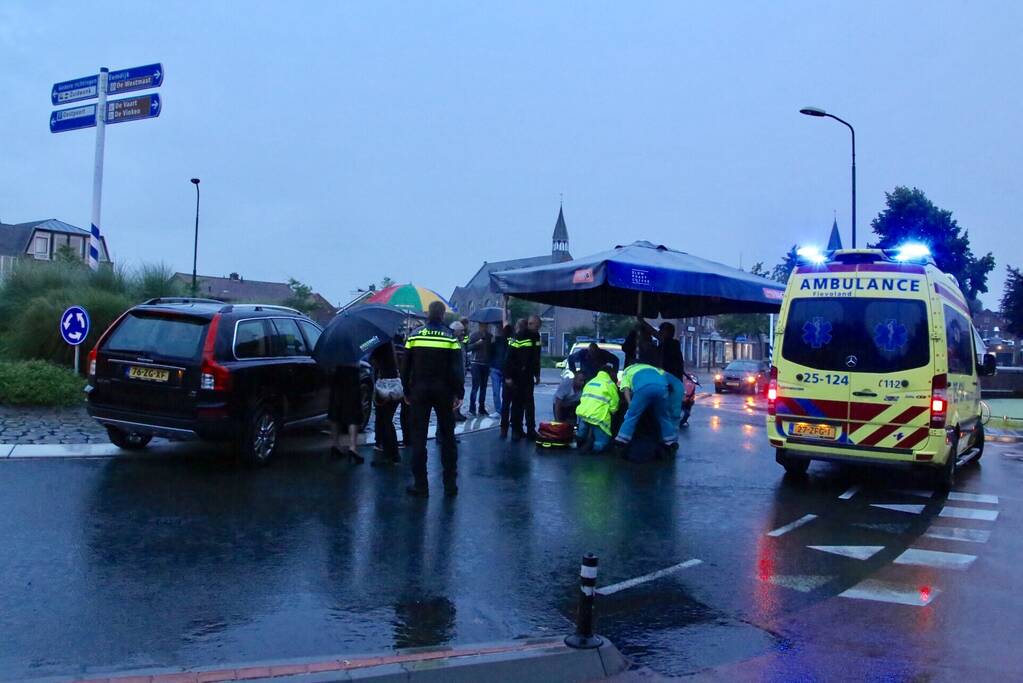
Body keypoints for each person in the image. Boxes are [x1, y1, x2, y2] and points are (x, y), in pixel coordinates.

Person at [402, 301, 464, 497]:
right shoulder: (450, 338)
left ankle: (421, 485)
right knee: (448, 437)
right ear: (443, 315)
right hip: (443, 391)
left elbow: (405, 367)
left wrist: (406, 390)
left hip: (419, 390)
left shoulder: (414, 336)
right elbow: (457, 369)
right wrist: (459, 393)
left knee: (418, 437)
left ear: (428, 314)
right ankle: (450, 484)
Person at [613, 339, 677, 454]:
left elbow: (626, 389)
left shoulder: (628, 370)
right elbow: (668, 381)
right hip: (662, 388)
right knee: (663, 416)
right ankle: (670, 442)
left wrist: (630, 404)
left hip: (643, 388)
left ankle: (621, 441)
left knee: (632, 416)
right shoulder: (653, 368)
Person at [507, 315, 542, 440]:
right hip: (517, 375)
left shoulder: (536, 337)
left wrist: (537, 374)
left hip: (528, 375)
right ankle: (517, 430)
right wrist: (508, 376)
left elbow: (537, 357)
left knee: (529, 403)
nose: (536, 329)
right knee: (517, 403)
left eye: (538, 327)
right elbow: (509, 357)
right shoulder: (518, 336)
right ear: (530, 323)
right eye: (535, 326)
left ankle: (531, 429)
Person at [369, 341, 402, 466]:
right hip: (392, 383)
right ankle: (391, 453)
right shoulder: (388, 343)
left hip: (385, 384)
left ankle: (392, 454)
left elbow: (372, 360)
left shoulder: (379, 343)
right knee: (386, 420)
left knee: (385, 420)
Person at [575, 363, 620, 453]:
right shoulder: (610, 384)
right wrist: (612, 411)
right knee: (601, 442)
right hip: (599, 417)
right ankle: (594, 454)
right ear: (610, 373)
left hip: (584, 413)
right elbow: (614, 405)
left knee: (581, 434)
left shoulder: (590, 382)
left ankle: (579, 447)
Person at [328, 363, 365, 464]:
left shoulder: (334, 348)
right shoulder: (354, 348)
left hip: (337, 373)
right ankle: (352, 447)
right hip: (352, 374)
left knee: (335, 409)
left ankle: (335, 444)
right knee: (353, 411)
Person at [466, 322, 493, 416]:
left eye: (486, 325)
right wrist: (476, 344)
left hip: (486, 364)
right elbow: (467, 348)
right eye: (482, 326)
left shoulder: (490, 336)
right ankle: (472, 408)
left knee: (484, 387)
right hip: (476, 363)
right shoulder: (474, 335)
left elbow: (491, 350)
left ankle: (481, 408)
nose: (484, 327)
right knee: (475, 386)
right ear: (479, 326)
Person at [491, 322, 512, 430]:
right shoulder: (494, 340)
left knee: (505, 393)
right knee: (495, 391)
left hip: (503, 369)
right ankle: (498, 411)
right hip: (495, 368)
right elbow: (490, 353)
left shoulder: (507, 340)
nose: (498, 330)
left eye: (499, 328)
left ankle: (504, 411)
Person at [450, 320, 468, 422]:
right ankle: (454, 414)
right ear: (455, 331)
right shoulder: (453, 343)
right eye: (461, 331)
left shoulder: (460, 343)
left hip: (461, 374)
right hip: (455, 377)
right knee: (454, 397)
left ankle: (457, 413)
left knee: (457, 397)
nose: (463, 333)